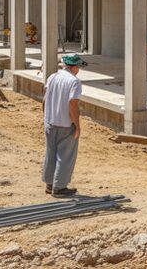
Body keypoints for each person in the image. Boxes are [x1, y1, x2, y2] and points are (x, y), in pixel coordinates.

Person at [43, 53, 87, 196]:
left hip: (50, 122)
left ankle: (49, 184)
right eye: (78, 67)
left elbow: (45, 99)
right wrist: (77, 126)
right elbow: (73, 104)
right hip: (65, 123)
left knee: (51, 153)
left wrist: (46, 117)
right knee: (65, 156)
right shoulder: (74, 82)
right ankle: (59, 187)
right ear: (74, 67)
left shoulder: (52, 77)